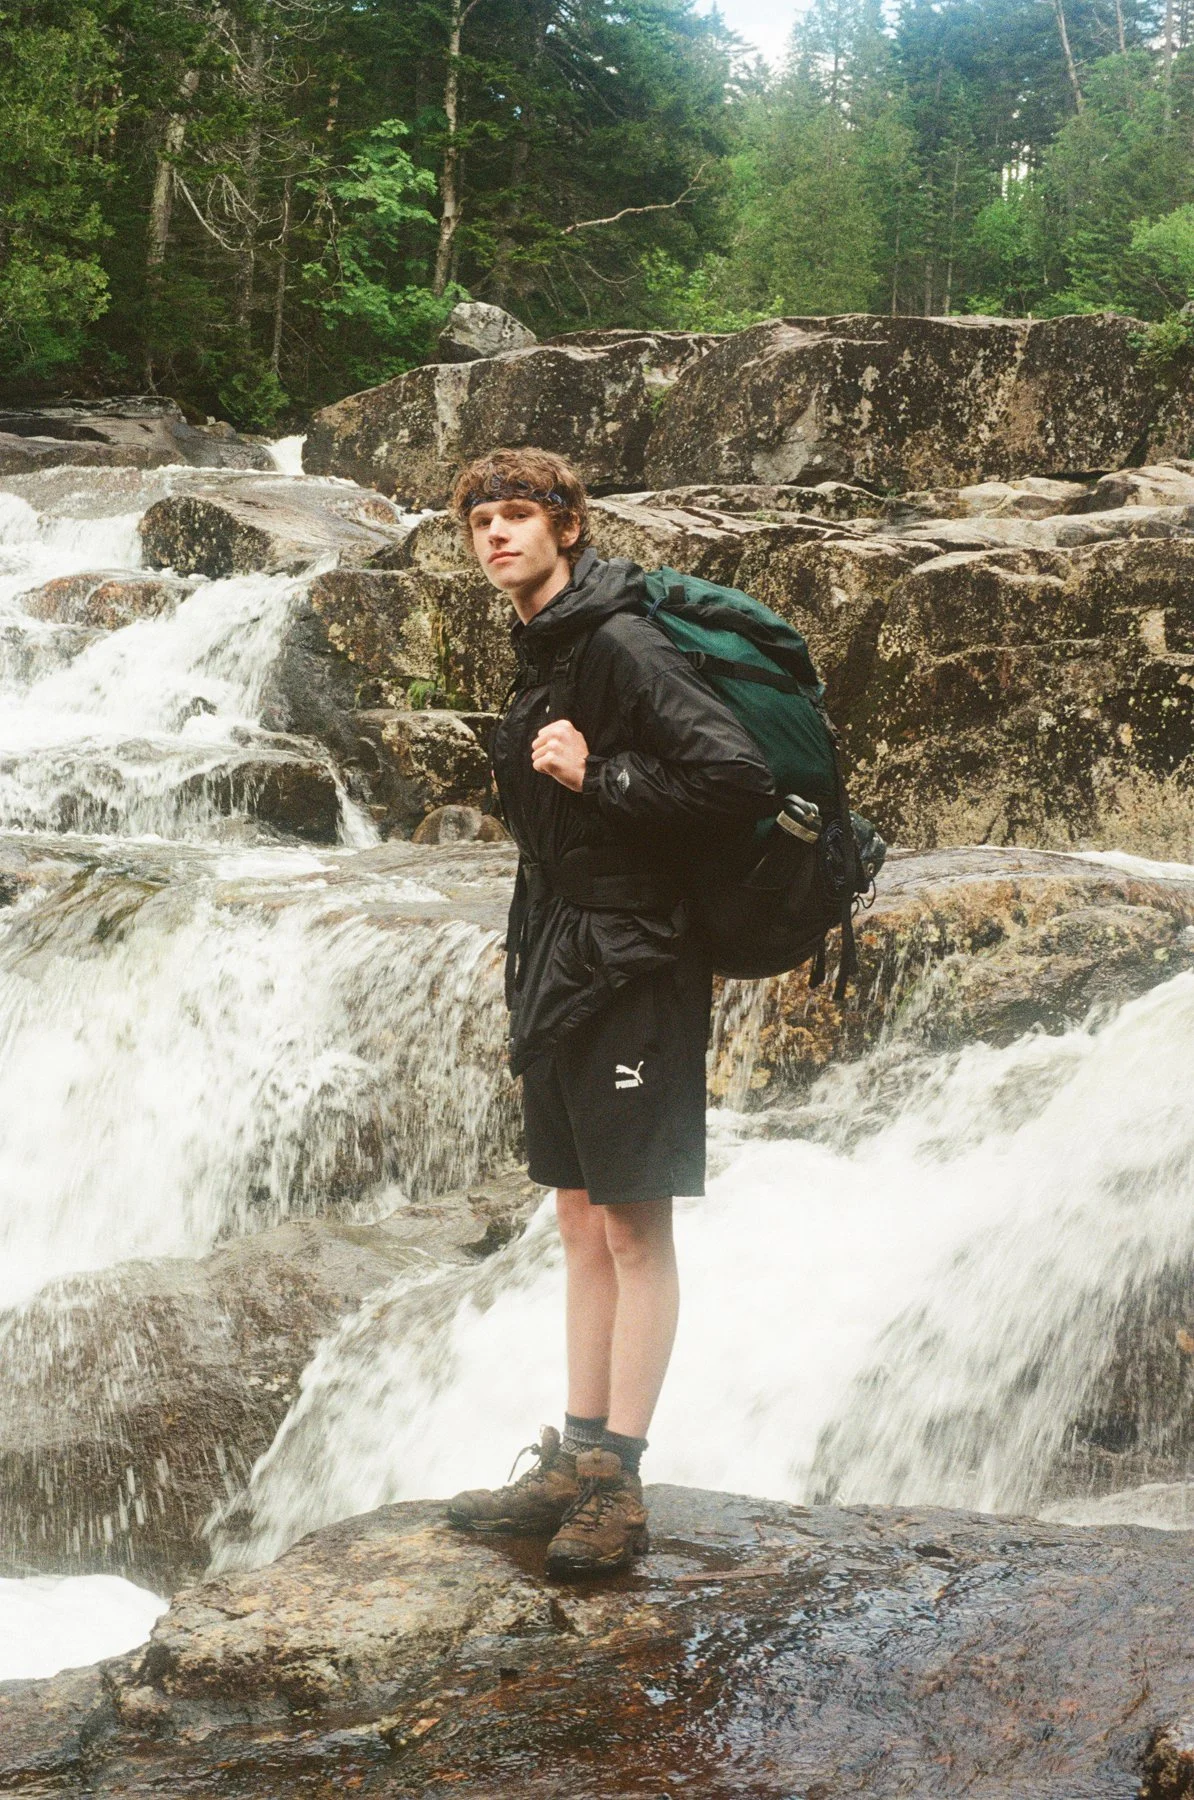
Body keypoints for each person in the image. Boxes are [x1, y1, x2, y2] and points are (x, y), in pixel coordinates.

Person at [444, 447, 776, 1577]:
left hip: (635, 960)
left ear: (567, 528)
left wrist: (601, 779)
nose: (497, 535)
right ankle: (571, 1458)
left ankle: (618, 1483)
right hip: (562, 951)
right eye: (481, 520)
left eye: (518, 516)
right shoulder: (545, 645)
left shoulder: (622, 643)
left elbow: (737, 780)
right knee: (579, 1218)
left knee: (635, 1226)